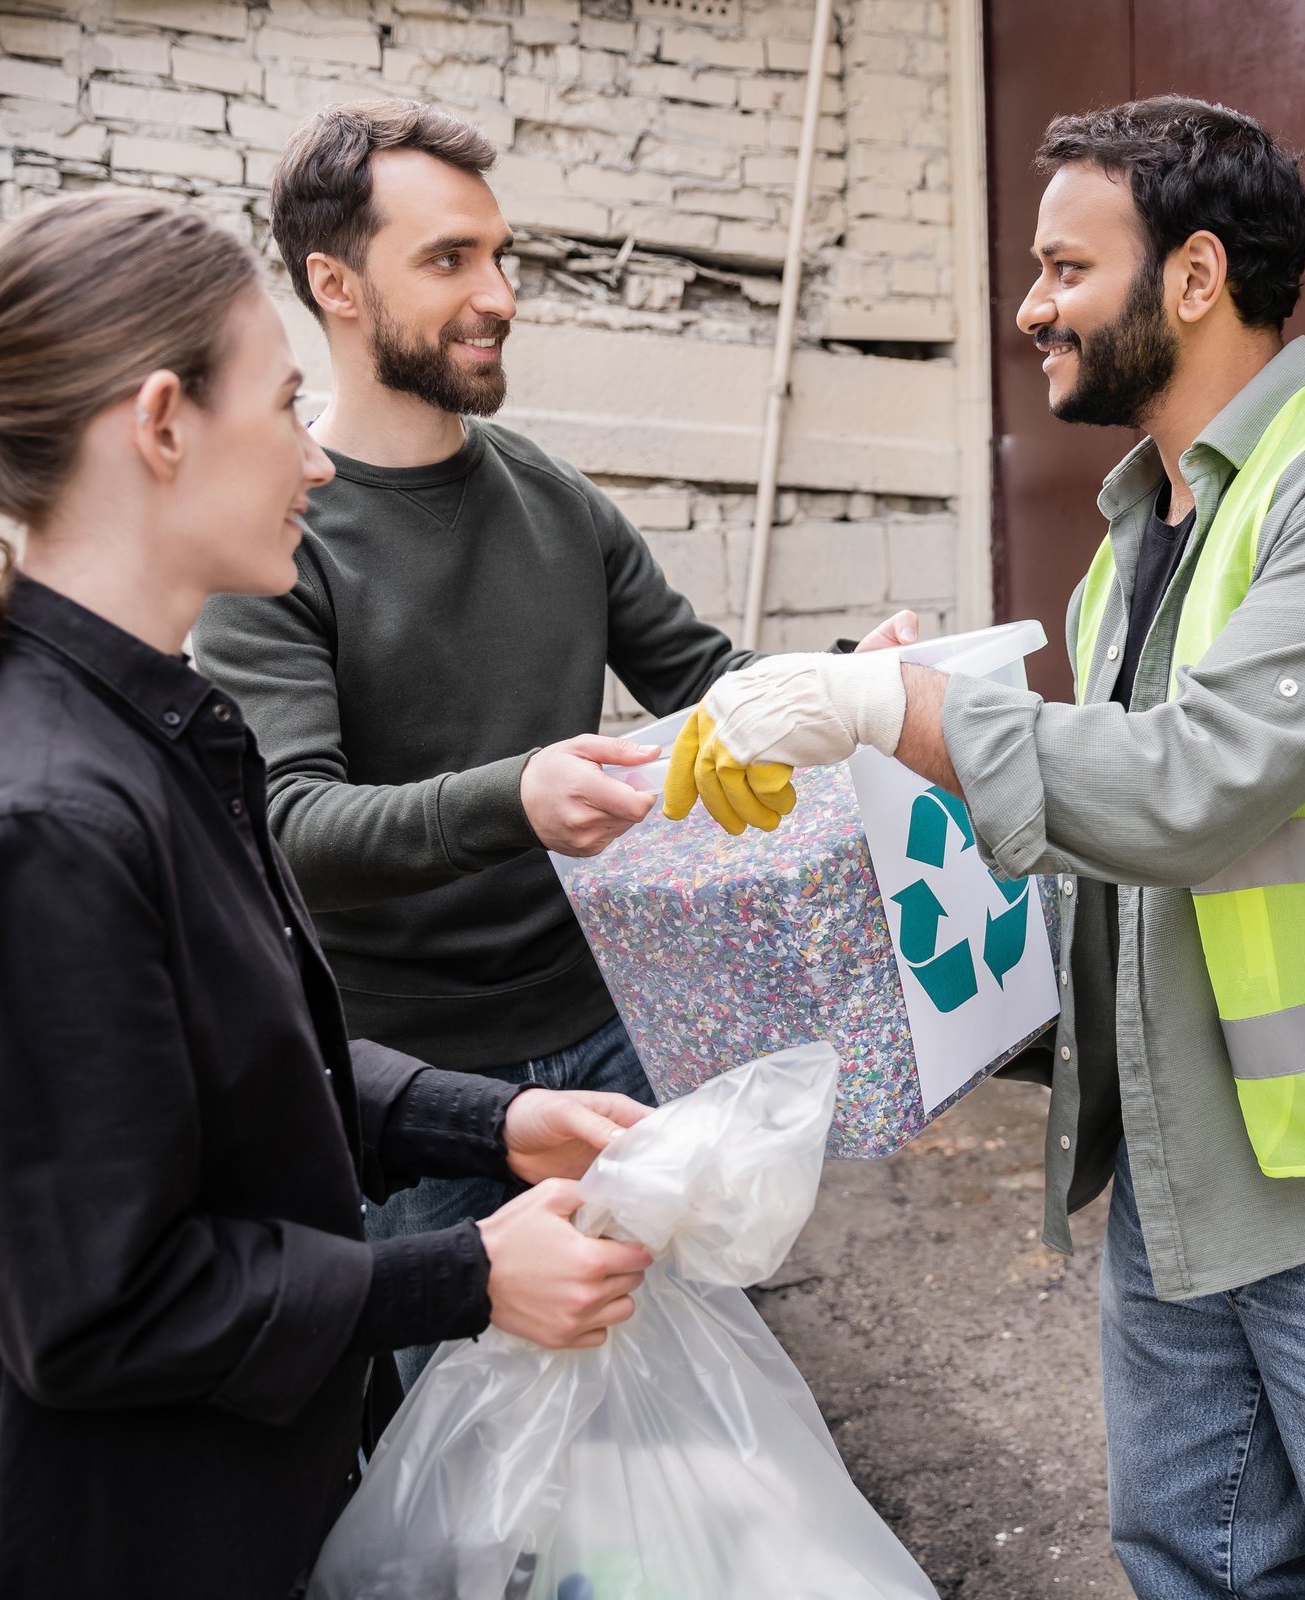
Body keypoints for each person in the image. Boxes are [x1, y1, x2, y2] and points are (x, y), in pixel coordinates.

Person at [662, 97, 1305, 1596]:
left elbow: (1192, 787)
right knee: (1196, 1559)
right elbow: (1104, 845)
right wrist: (920, 734)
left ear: (1191, 276)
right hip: (1185, 1179)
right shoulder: (1138, 533)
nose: (1031, 307)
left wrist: (893, 708)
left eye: (1063, 267)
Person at [0, 192, 657, 1600]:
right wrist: (465, 1276)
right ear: (163, 423)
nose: (314, 463)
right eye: (286, 408)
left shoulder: (153, 735)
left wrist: (496, 1119)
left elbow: (240, 1069)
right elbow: (100, 1304)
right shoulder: (37, 824)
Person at [190, 98, 916, 1386]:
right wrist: (518, 797)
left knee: (670, 1414)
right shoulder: (274, 539)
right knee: (448, 1476)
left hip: (612, 1033)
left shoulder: (555, 499)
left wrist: (860, 681)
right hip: (408, 1091)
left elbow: (711, 681)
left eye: (500, 255)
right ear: (334, 284)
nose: (500, 294)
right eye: (450, 260)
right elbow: (289, 833)